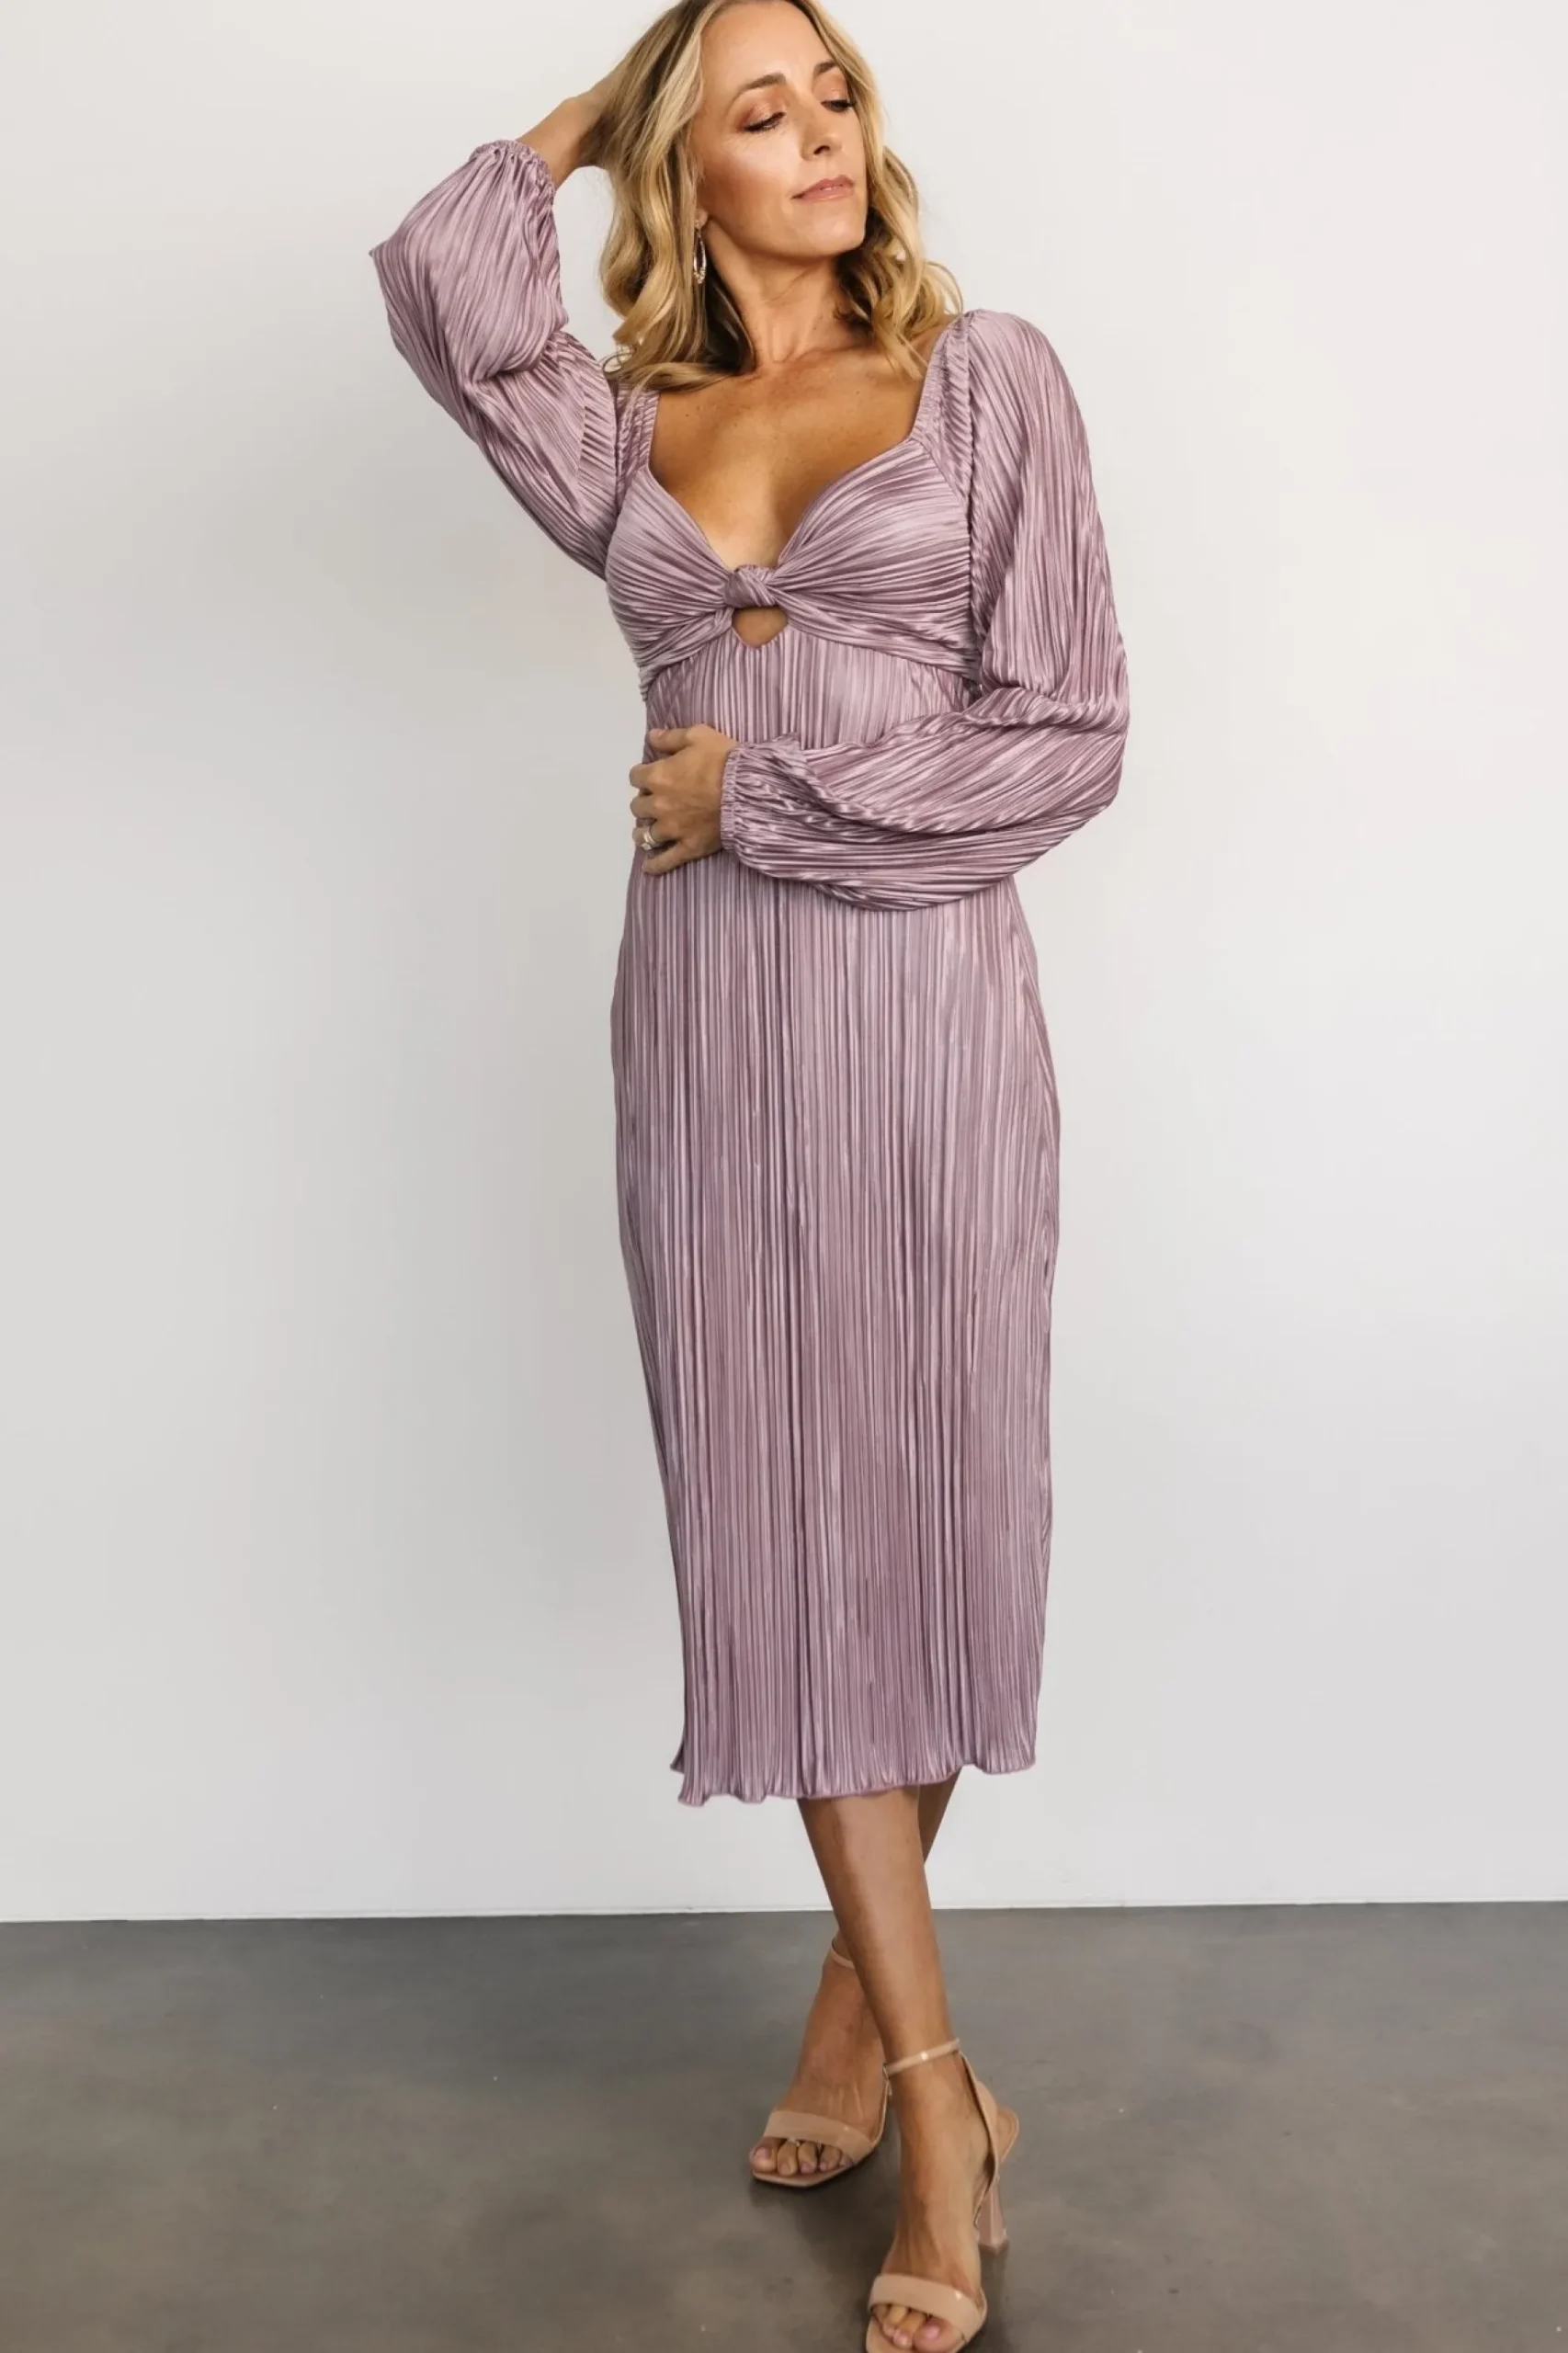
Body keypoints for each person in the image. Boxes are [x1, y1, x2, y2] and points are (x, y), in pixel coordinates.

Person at [369, 3, 1130, 2344]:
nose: (816, 136)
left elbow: (1067, 737)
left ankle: (853, 2005)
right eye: (755, 110)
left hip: (924, 1021)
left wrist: (767, 795)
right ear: (678, 170)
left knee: (925, 1508)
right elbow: (440, 288)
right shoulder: (621, 431)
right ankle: (936, 2095)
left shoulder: (986, 383)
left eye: (835, 94)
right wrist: (601, 101)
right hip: (710, 1037)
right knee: (784, 1522)